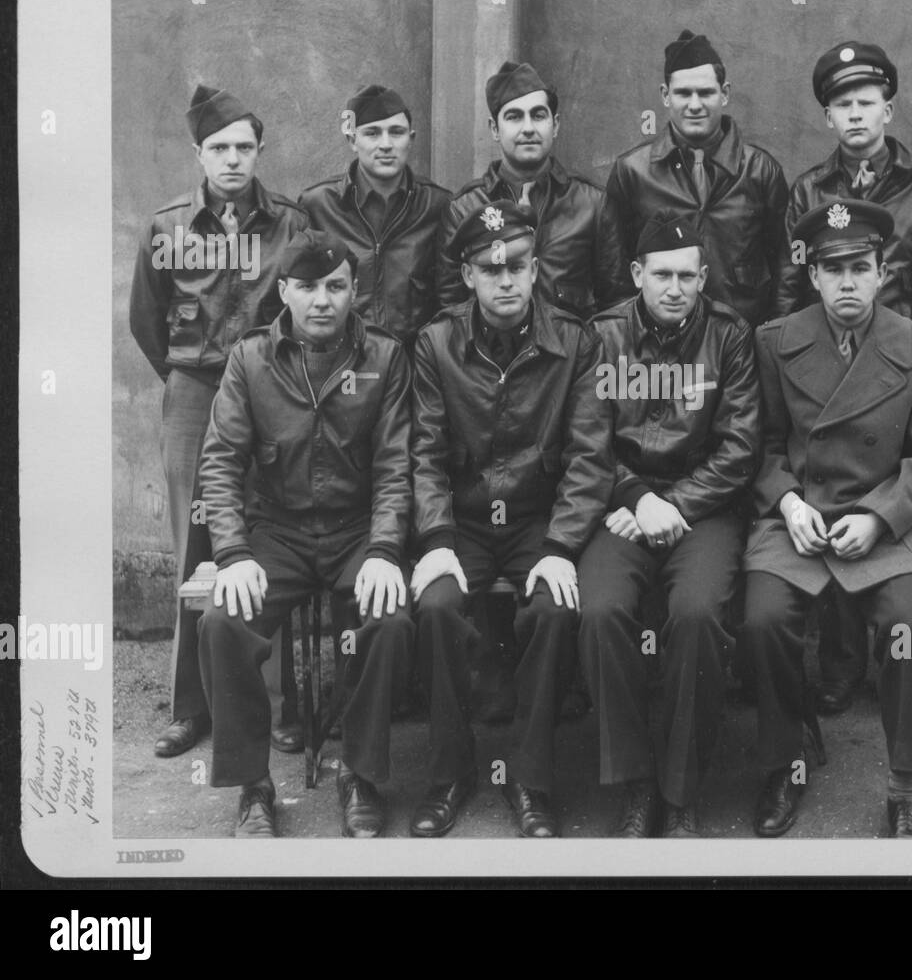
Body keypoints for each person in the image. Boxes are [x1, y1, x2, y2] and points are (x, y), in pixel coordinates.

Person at [743, 199, 912, 838]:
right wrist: (786, 500)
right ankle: (785, 759)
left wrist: (880, 517)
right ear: (811, 274)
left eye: (859, 267)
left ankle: (904, 786)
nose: (846, 282)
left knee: (909, 625)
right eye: (832, 268)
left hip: (884, 520)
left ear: (881, 272)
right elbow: (759, 446)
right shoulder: (775, 343)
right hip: (797, 516)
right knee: (761, 621)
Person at [195, 231, 415, 838]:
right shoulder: (250, 359)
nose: (323, 300)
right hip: (277, 532)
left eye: (337, 286)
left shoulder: (385, 357)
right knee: (223, 620)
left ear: (354, 292)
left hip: (355, 531)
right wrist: (234, 553)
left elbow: (397, 463)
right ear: (285, 291)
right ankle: (252, 786)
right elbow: (221, 461)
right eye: (309, 287)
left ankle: (360, 774)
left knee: (388, 619)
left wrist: (384, 549)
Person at [409, 200, 612, 839]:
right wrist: (436, 538)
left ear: (534, 270)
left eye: (517, 267)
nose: (505, 280)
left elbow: (590, 455)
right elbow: (425, 452)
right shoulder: (436, 342)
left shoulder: (575, 342)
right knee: (438, 606)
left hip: (536, 521)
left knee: (555, 607)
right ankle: (450, 772)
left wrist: (561, 544)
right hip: (463, 522)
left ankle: (532, 775)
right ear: (468, 275)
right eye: (490, 269)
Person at [129, 84, 308, 759]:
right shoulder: (168, 225)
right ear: (197, 153)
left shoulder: (289, 222)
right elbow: (146, 321)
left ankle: (274, 706)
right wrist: (186, 379)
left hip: (270, 388)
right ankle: (190, 707)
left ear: (260, 151)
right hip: (195, 386)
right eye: (219, 147)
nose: (232, 159)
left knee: (268, 537)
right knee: (194, 546)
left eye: (244, 146)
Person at [786, 42, 912, 727]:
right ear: (828, 116)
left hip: (903, 378)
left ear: (888, 108)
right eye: (842, 105)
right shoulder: (809, 189)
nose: (855, 115)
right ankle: (838, 666)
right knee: (829, 501)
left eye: (867, 102)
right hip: (830, 369)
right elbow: (791, 287)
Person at [578, 214, 760, 837]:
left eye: (687, 275)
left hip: (703, 508)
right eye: (662, 275)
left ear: (704, 277)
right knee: (600, 610)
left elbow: (740, 446)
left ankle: (680, 787)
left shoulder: (730, 335)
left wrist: (678, 504)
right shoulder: (603, 335)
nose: (675, 288)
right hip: (620, 506)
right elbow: (586, 440)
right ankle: (634, 782)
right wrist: (633, 496)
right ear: (637, 275)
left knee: (697, 613)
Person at [602, 30, 794, 329]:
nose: (694, 105)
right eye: (683, 93)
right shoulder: (632, 172)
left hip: (745, 343)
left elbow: (786, 265)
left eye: (705, 93)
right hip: (661, 345)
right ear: (666, 95)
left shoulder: (760, 170)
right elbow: (614, 275)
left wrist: (775, 335)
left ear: (725, 93)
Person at [437, 62, 626, 319]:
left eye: (538, 115)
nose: (528, 128)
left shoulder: (592, 204)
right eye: (514, 117)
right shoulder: (465, 209)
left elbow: (616, 307)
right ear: (494, 129)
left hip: (572, 355)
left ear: (555, 125)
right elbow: (452, 310)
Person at [298, 84, 452, 348]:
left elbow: (450, 298)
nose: (386, 145)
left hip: (415, 365)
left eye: (396, 132)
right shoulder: (319, 205)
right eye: (372, 133)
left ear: (411, 139)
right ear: (352, 140)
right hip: (344, 360)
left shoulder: (437, 205)